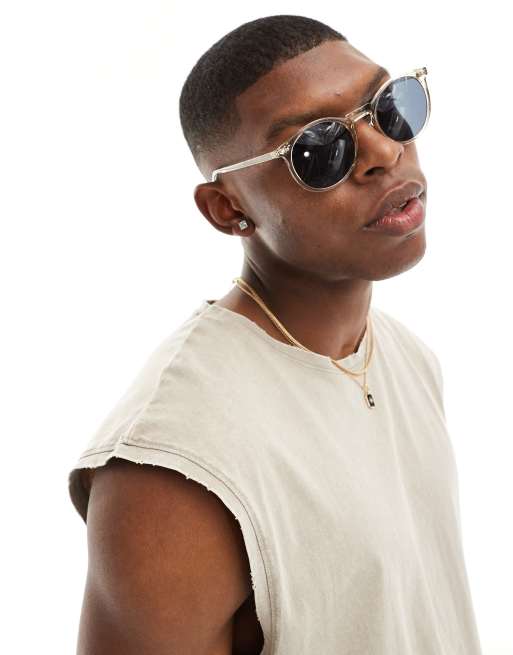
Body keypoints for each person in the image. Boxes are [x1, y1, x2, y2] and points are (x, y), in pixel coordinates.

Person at [68, 14, 483, 655]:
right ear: (228, 208)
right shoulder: (175, 466)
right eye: (319, 150)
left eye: (388, 109)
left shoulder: (405, 357)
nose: (382, 153)